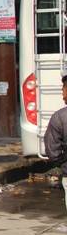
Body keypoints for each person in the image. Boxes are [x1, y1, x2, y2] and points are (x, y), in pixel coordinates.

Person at [44, 75, 67, 211]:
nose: (62, 94)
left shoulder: (59, 117)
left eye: (63, 89)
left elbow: (53, 153)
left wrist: (62, 162)